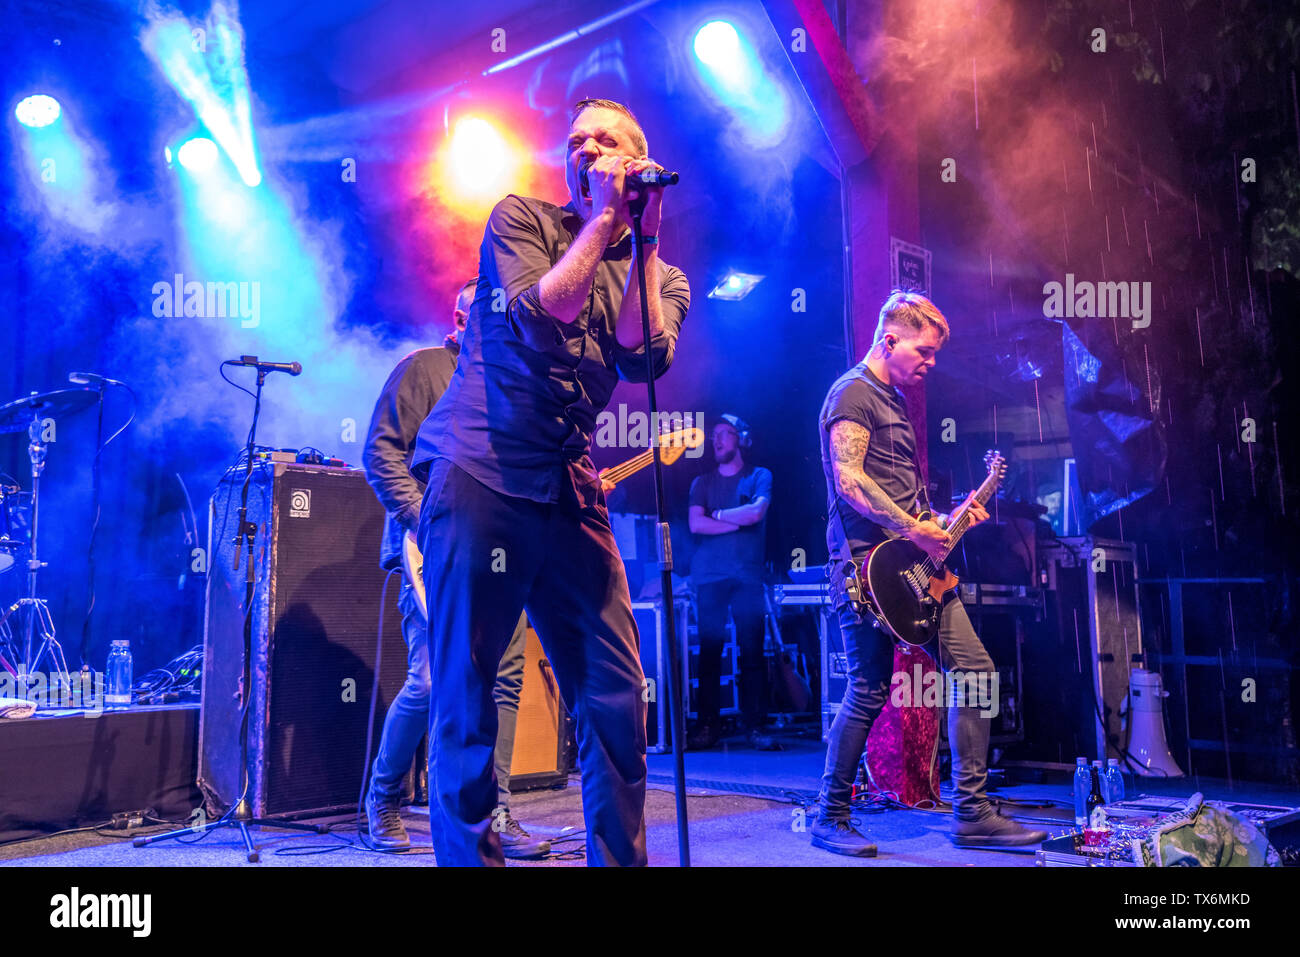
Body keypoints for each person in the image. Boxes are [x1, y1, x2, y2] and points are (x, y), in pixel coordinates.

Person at [411, 97, 690, 866]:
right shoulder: (521, 221)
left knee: (615, 691)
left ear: (638, 159)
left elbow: (641, 356)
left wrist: (641, 237)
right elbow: (543, 313)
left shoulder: (660, 273)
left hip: (568, 491)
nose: (586, 151)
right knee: (467, 695)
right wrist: (602, 222)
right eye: (576, 142)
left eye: (605, 141)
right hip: (482, 475)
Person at [810, 290, 1047, 857]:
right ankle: (830, 815)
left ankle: (972, 811)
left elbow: (900, 497)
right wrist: (913, 529)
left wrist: (943, 521)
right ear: (888, 340)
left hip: (918, 565)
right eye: (924, 350)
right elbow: (850, 481)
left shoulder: (895, 399)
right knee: (867, 690)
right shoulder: (852, 394)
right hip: (867, 570)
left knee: (975, 670)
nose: (931, 362)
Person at [360, 279, 549, 858]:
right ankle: (384, 797)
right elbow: (380, 452)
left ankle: (497, 812)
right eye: (481, 315)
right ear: (461, 321)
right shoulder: (425, 370)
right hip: (434, 550)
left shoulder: (509, 382)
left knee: (508, 682)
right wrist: (427, 522)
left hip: (503, 552)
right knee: (432, 678)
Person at [686, 414, 779, 750]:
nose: (717, 441)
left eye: (723, 435)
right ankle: (707, 727)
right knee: (710, 652)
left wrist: (720, 516)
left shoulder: (759, 476)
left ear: (740, 438)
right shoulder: (702, 482)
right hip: (710, 576)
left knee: (753, 651)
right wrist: (737, 520)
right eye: (714, 437)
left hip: (747, 575)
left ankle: (755, 727)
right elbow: (696, 525)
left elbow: (756, 513)